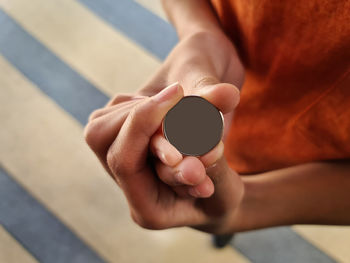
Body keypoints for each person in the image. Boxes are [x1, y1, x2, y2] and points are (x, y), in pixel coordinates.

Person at [84, 0, 350, 235]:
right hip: (211, 120)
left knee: (209, 185)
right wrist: (199, 31)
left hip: (308, 165)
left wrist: (247, 208)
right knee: (203, 180)